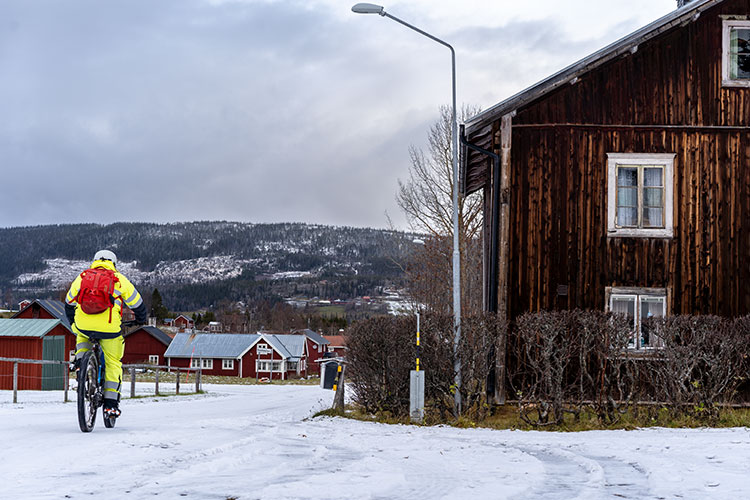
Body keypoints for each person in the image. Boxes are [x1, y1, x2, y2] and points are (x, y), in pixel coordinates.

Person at [65, 250, 147, 418]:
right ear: (114, 263)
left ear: (94, 261)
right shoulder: (119, 279)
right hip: (109, 329)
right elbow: (137, 304)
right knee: (113, 363)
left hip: (84, 326)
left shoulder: (82, 277)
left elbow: (68, 303)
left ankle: (81, 364)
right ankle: (110, 405)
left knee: (81, 335)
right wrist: (140, 320)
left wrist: (74, 322)